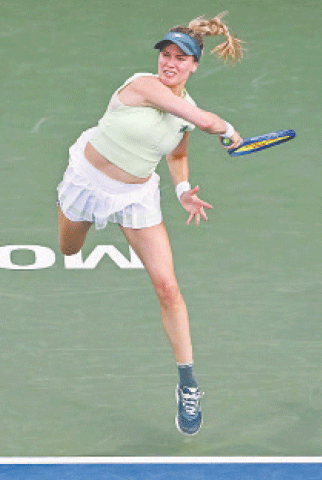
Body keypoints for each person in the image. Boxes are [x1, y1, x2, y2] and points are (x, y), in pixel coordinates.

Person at [56, 12, 244, 435]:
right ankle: (82, 223)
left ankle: (188, 382)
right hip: (88, 182)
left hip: (137, 194)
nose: (170, 63)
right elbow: (209, 123)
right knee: (68, 249)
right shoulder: (142, 85)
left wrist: (182, 191)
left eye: (181, 58)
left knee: (167, 286)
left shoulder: (186, 110)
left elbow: (177, 153)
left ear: (194, 66)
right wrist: (230, 130)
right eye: (166, 55)